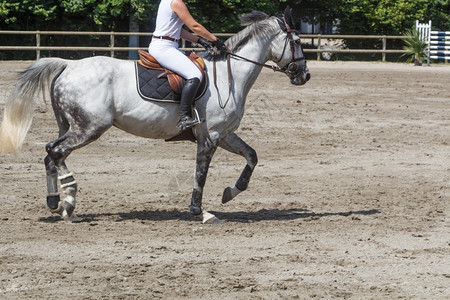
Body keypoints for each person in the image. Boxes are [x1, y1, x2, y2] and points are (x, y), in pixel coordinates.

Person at [149, 0, 226, 131]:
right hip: (164, 48)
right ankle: (184, 117)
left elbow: (178, 30)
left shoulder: (166, 1)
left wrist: (199, 40)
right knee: (194, 74)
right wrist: (215, 40)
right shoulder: (177, 2)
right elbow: (194, 26)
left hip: (167, 44)